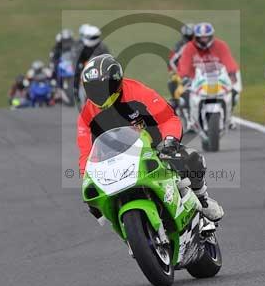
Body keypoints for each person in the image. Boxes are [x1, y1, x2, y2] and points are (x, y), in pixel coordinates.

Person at [77, 54, 224, 221]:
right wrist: (86, 173)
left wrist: (169, 140)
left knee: (192, 158)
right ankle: (130, 232)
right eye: (93, 88)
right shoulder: (86, 116)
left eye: (103, 87)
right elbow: (85, 152)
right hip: (117, 161)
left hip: (156, 148)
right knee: (93, 202)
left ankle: (202, 198)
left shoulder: (138, 92)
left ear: (116, 82)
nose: (99, 93)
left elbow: (168, 118)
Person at [176, 23, 241, 124]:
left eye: (206, 37)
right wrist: (184, 76)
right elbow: (184, 63)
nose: (204, 40)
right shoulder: (189, 47)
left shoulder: (220, 45)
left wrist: (232, 73)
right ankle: (190, 119)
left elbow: (228, 60)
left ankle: (229, 115)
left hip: (218, 78)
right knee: (184, 96)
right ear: (196, 37)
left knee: (234, 94)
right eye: (201, 38)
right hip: (196, 79)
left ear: (211, 36)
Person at [167, 23, 195, 103]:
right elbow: (172, 61)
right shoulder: (181, 46)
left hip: (197, 73)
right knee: (173, 81)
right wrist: (179, 72)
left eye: (192, 36)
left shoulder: (201, 46)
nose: (190, 39)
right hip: (183, 73)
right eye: (188, 37)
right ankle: (175, 102)